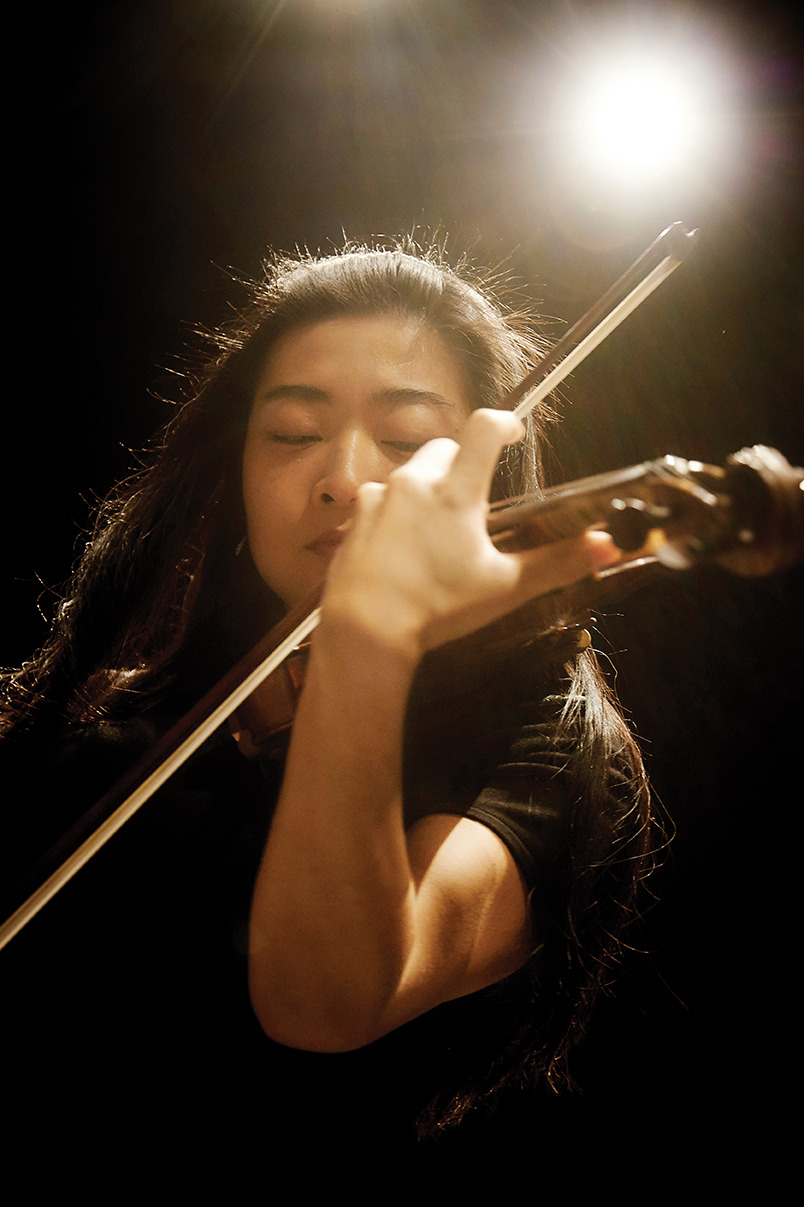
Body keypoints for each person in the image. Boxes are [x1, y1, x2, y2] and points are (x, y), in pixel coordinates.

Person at [1, 241, 658, 1153]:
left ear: (481, 476)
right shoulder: (134, 717)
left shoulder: (547, 750)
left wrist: (369, 637)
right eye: (292, 434)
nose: (343, 475)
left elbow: (330, 1001)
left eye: (404, 441)